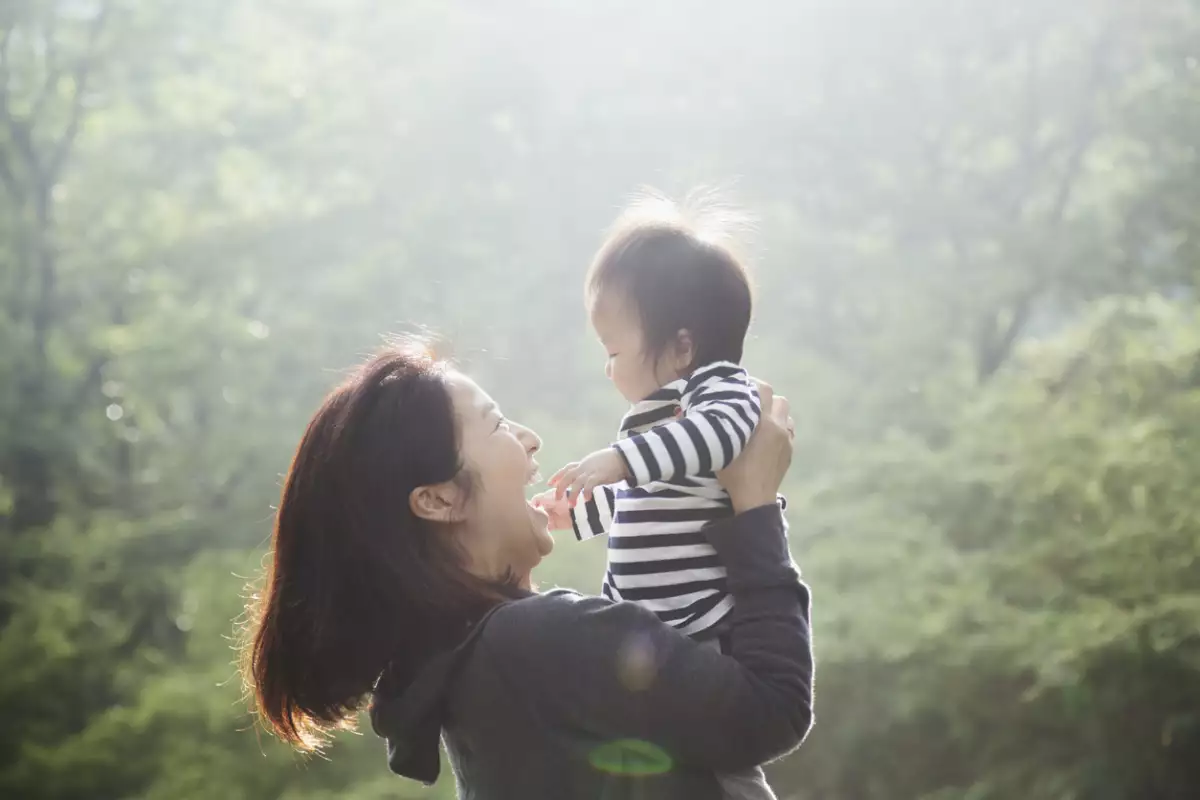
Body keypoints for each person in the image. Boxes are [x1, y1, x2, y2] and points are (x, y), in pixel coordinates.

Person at [241, 341, 813, 800]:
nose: (530, 439)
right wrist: (755, 505)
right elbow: (773, 710)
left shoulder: (463, 667)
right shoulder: (542, 640)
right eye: (497, 426)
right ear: (438, 500)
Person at [533, 193, 781, 796]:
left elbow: (715, 440)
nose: (608, 369)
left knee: (722, 765)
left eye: (614, 352)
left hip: (702, 625)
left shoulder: (721, 392)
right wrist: (581, 512)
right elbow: (651, 499)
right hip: (655, 627)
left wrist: (619, 460)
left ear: (681, 348)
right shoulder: (661, 424)